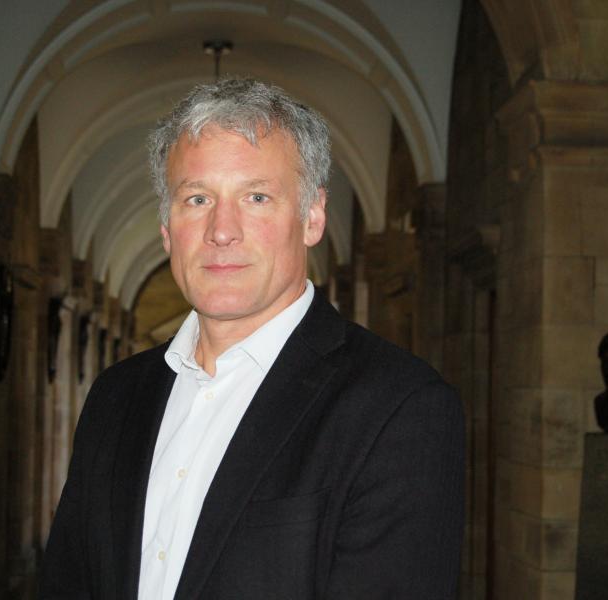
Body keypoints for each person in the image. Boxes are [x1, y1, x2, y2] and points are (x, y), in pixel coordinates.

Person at [38, 78, 464, 599]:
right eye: (197, 198)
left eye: (256, 197)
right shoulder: (115, 396)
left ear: (311, 217)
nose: (222, 230)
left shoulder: (399, 407)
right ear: (167, 228)